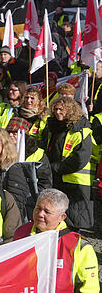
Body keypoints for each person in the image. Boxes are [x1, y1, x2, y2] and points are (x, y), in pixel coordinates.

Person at [13, 189, 99, 293]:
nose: (40, 214)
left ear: (61, 217)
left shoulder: (79, 246)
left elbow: (89, 288)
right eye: (38, 208)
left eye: (47, 212)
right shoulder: (21, 233)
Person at [41, 96, 94, 230]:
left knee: (73, 221)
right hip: (56, 179)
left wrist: (55, 168)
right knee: (56, 218)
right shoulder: (52, 127)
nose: (58, 112)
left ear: (70, 111)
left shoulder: (82, 130)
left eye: (61, 110)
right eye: (56, 109)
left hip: (75, 183)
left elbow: (80, 159)